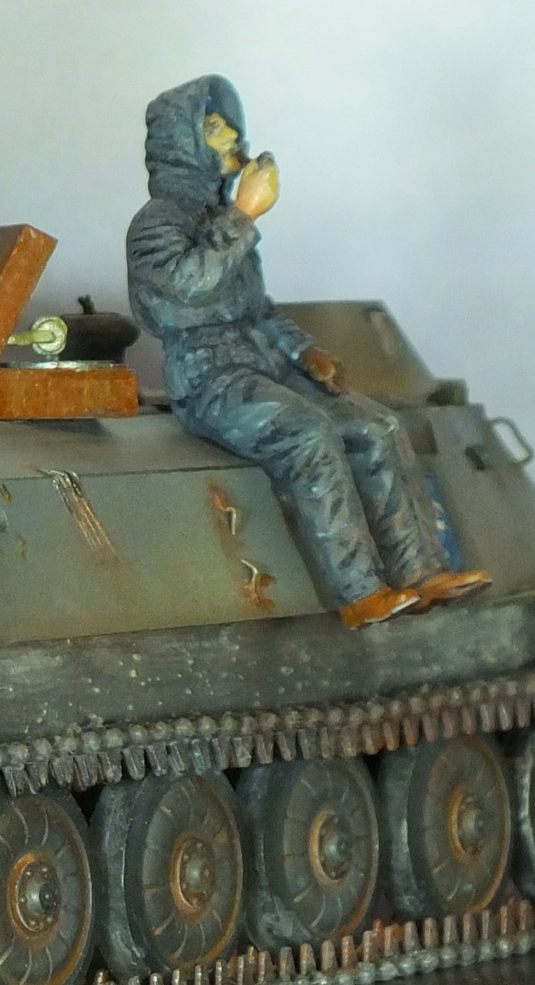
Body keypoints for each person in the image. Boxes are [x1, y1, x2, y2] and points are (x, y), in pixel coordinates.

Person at [125, 75, 489, 628]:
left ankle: (420, 572)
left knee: (376, 427)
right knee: (308, 434)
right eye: (215, 128)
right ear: (184, 142)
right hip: (207, 377)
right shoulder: (157, 223)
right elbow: (187, 286)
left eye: (229, 126)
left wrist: (304, 352)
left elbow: (257, 310)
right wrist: (243, 217)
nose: (232, 138)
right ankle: (359, 592)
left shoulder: (219, 219)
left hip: (261, 362)